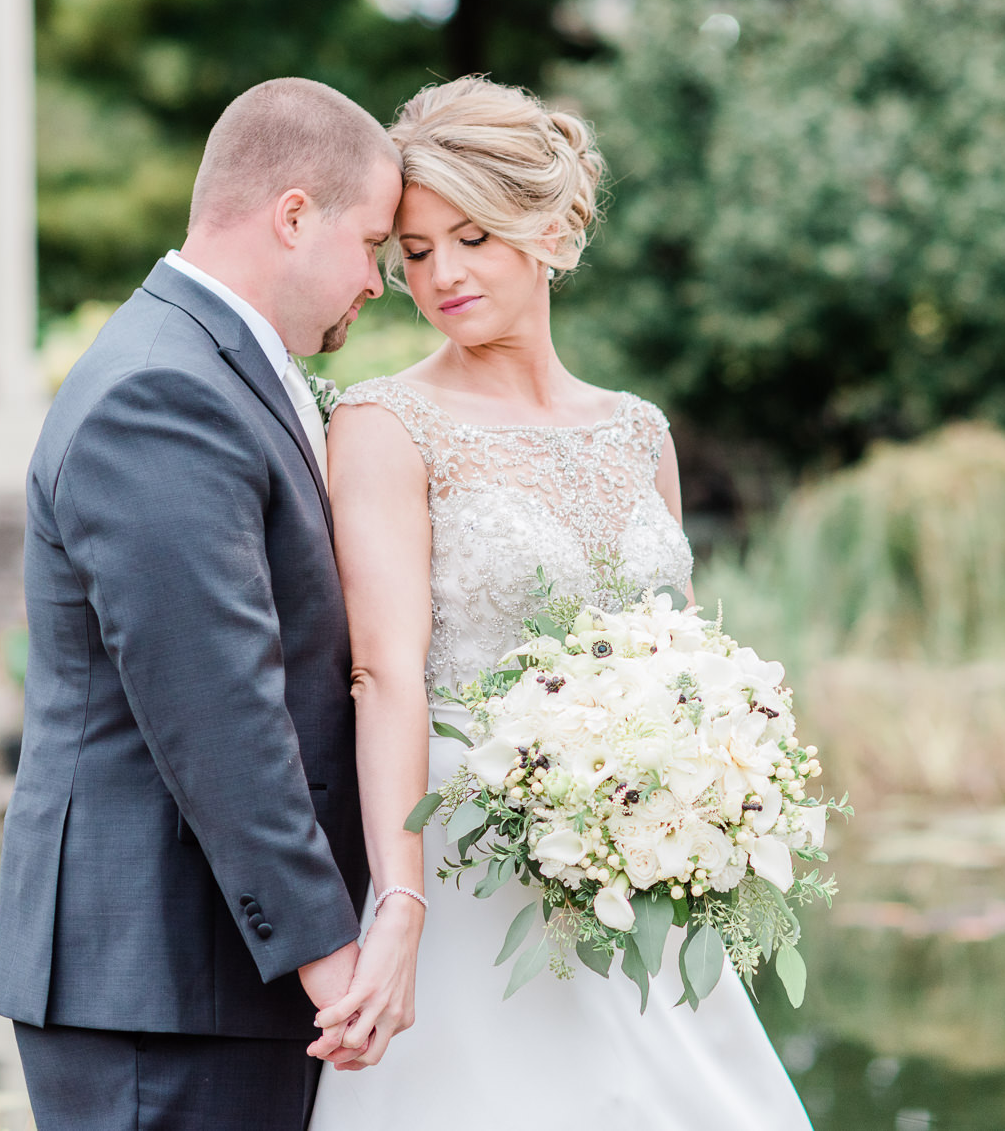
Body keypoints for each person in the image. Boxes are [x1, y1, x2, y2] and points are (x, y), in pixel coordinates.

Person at [304, 76, 813, 1129]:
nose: (441, 274)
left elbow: (681, 661)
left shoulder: (638, 432)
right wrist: (400, 904)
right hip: (468, 876)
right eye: (415, 251)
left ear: (549, 227)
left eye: (473, 237)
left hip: (636, 877)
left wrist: (713, 795)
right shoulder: (384, 423)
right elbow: (384, 670)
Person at [0, 77, 404, 1129]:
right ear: (295, 214)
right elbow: (217, 703)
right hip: (163, 985)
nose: (381, 282)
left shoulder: (215, 367)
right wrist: (327, 949)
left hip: (205, 980)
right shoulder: (160, 392)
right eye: (374, 243)